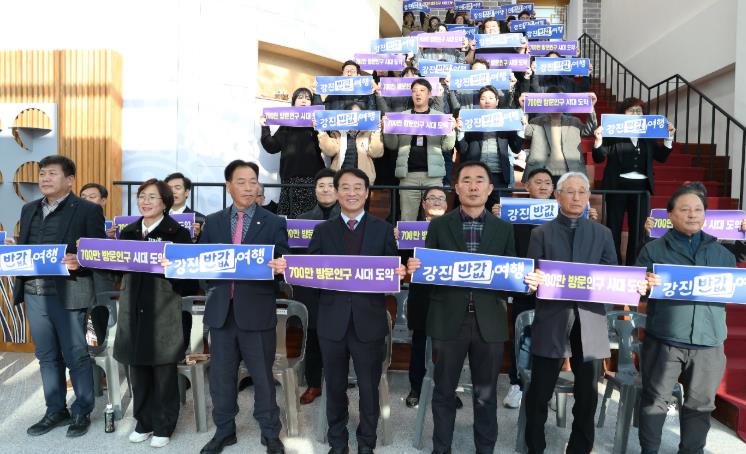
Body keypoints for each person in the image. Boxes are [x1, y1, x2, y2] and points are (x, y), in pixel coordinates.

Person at [406, 161, 541, 454]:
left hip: (489, 322)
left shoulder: (504, 229)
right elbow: (429, 273)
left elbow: (510, 275)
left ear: (490, 189)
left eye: (479, 180)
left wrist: (526, 281)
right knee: (443, 392)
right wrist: (416, 268)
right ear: (456, 188)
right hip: (447, 320)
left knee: (486, 395)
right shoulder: (438, 226)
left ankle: (485, 449)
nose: (473, 186)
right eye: (466, 180)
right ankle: (441, 449)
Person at [524, 172, 632, 454]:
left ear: (588, 196)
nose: (576, 197)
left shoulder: (602, 233)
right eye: (569, 191)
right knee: (539, 392)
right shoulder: (541, 233)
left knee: (587, 395)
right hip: (552, 318)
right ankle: (535, 447)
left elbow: (611, 276)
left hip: (590, 319)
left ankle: (580, 448)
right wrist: (532, 280)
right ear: (557, 196)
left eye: (582, 192)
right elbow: (530, 278)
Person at [308, 167, 406, 454]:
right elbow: (310, 273)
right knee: (335, 387)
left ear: (367, 193)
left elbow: (391, 272)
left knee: (368, 388)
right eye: (345, 187)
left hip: (369, 321)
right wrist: (288, 268)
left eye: (357, 188)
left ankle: (366, 443)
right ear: (337, 192)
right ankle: (338, 442)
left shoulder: (383, 229)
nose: (352, 193)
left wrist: (399, 271)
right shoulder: (322, 231)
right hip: (332, 322)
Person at [197, 160, 288, 454]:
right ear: (229, 186)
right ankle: (224, 431)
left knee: (262, 377)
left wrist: (281, 266)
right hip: (221, 313)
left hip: (257, 312)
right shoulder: (213, 222)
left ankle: (270, 433)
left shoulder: (273, 222)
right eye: (241, 181)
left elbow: (283, 261)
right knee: (221, 379)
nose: (249, 187)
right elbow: (200, 263)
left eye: (253, 181)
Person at [637, 185, 735, 454]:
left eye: (698, 210)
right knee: (654, 402)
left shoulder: (723, 255)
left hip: (709, 343)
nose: (692, 214)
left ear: (705, 215)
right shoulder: (653, 250)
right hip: (664, 340)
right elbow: (634, 288)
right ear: (670, 215)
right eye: (684, 209)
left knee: (700, 406)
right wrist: (643, 284)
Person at [14, 155, 105, 438]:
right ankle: (55, 410)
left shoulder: (88, 210)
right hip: (34, 293)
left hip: (69, 293)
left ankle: (81, 410)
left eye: (52, 173)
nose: (45, 178)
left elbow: (98, 253)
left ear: (70, 180)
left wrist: (81, 260)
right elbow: (26, 248)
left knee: (76, 355)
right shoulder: (29, 209)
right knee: (46, 356)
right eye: (42, 173)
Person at [114, 179, 198, 448]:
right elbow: (117, 271)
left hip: (164, 311)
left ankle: (164, 424)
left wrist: (172, 268)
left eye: (152, 197)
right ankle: (143, 421)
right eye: (142, 196)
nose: (145, 201)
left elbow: (190, 281)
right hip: (133, 310)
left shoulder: (177, 234)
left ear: (165, 202)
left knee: (163, 373)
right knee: (137, 370)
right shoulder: (128, 232)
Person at [593, 97, 676, 265]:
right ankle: (613, 264)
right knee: (613, 228)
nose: (635, 113)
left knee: (638, 230)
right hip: (617, 187)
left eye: (639, 111)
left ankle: (634, 265)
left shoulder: (648, 136)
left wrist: (668, 138)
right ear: (622, 113)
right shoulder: (613, 133)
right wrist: (599, 140)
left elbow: (661, 157)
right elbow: (599, 157)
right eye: (631, 110)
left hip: (641, 189)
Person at [294, 168, 340, 405]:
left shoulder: (348, 218)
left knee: (340, 337)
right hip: (311, 288)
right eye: (321, 185)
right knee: (312, 337)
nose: (326, 190)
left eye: (331, 185)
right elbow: (293, 255)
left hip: (340, 287)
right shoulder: (301, 220)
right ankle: (313, 384)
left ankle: (339, 381)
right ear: (315, 190)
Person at [383, 78, 456, 221]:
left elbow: (447, 147)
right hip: (408, 176)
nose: (418, 94)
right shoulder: (401, 117)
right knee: (407, 218)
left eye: (422, 90)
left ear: (429, 94)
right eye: (414, 91)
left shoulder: (439, 117)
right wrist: (388, 129)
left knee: (435, 218)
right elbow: (392, 146)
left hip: (433, 176)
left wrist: (451, 130)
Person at [403, 186, 449, 408]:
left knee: (447, 346)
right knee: (419, 343)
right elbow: (400, 264)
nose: (437, 201)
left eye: (441, 198)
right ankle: (416, 387)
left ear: (447, 204)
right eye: (432, 198)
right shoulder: (409, 231)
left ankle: (447, 389)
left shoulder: (453, 229)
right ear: (423, 204)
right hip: (421, 295)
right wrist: (399, 245)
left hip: (447, 296)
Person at [261, 87, 326, 218]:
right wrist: (265, 127)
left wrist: (320, 129)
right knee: (289, 220)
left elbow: (327, 148)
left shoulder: (318, 124)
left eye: (308, 99)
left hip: (312, 180)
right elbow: (272, 146)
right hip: (289, 180)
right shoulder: (286, 124)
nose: (304, 101)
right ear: (293, 102)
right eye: (300, 98)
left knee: (309, 220)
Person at [456, 85, 524, 204]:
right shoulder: (471, 119)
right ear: (479, 102)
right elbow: (462, 149)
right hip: (475, 174)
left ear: (497, 101)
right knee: (474, 207)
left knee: (497, 210)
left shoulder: (506, 119)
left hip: (499, 174)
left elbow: (516, 148)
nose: (487, 101)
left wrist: (520, 129)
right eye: (483, 98)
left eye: (491, 98)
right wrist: (460, 131)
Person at [165, 171, 207, 357]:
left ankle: (180, 359)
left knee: (182, 322)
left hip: (185, 280)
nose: (173, 192)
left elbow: (206, 251)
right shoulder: (155, 217)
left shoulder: (199, 219)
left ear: (187, 192)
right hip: (161, 278)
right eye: (169, 188)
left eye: (178, 187)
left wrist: (198, 237)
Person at [518, 87, 598, 184]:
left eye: (560, 99)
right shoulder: (536, 122)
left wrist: (591, 108)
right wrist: (523, 108)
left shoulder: (574, 122)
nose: (556, 103)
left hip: (570, 173)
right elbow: (524, 132)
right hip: (542, 173)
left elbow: (590, 130)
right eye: (553, 100)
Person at [79, 182, 114, 347]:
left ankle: (99, 348)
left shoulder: (112, 225)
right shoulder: (74, 220)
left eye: (92, 197)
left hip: (101, 277)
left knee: (100, 313)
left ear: (103, 200)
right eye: (83, 197)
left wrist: (110, 239)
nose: (86, 200)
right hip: (80, 276)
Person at [317, 102, 384, 184]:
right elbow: (330, 151)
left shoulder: (369, 133)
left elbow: (376, 153)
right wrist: (321, 132)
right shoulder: (338, 132)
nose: (356, 118)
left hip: (363, 179)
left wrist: (377, 131)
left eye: (359, 115)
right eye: (352, 115)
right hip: (339, 178)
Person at [312, 60, 377, 111]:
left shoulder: (366, 95)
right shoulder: (333, 95)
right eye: (346, 71)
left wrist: (371, 94)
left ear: (358, 76)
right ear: (342, 75)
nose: (349, 74)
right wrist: (316, 94)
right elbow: (321, 114)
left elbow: (372, 116)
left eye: (352, 71)